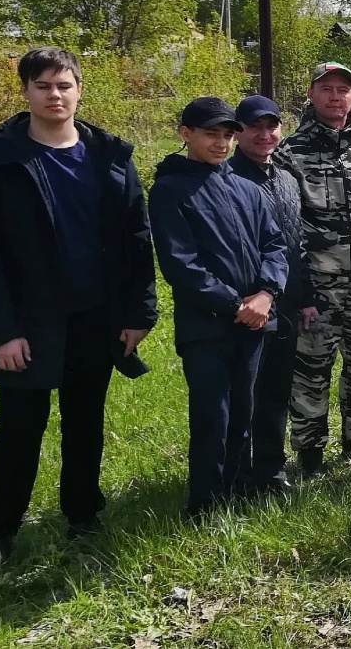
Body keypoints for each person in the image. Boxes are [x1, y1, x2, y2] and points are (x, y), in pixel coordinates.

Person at [0, 47, 158, 571]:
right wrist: (1, 331)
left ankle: (82, 514)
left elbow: (138, 241)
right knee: (21, 426)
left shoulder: (108, 157)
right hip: (29, 320)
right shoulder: (0, 158)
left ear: (79, 89)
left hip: (96, 315)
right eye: (43, 85)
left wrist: (139, 314)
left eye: (64, 85)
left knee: (84, 421)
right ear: (25, 91)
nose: (55, 95)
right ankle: (1, 530)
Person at [150, 97, 288, 519]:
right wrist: (234, 304)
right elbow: (181, 263)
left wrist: (265, 295)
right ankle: (206, 504)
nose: (221, 142)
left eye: (228, 134)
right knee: (213, 414)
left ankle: (239, 489)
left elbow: (275, 245)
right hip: (206, 326)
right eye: (211, 133)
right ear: (186, 134)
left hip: (254, 323)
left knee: (244, 410)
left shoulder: (247, 188)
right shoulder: (170, 190)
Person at [279, 62, 351, 473]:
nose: (335, 95)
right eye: (326, 88)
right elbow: (285, 227)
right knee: (310, 371)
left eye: (343, 89)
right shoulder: (290, 152)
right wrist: (299, 289)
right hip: (316, 289)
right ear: (311, 94)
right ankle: (309, 454)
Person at [228, 96, 319, 495]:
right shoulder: (227, 180)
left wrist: (305, 296)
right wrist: (246, 299)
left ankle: (271, 471)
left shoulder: (285, 178)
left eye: (272, 127)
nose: (265, 135)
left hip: (284, 305)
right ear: (238, 132)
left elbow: (297, 244)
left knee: (277, 392)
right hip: (246, 307)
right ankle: (239, 476)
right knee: (243, 395)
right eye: (255, 127)